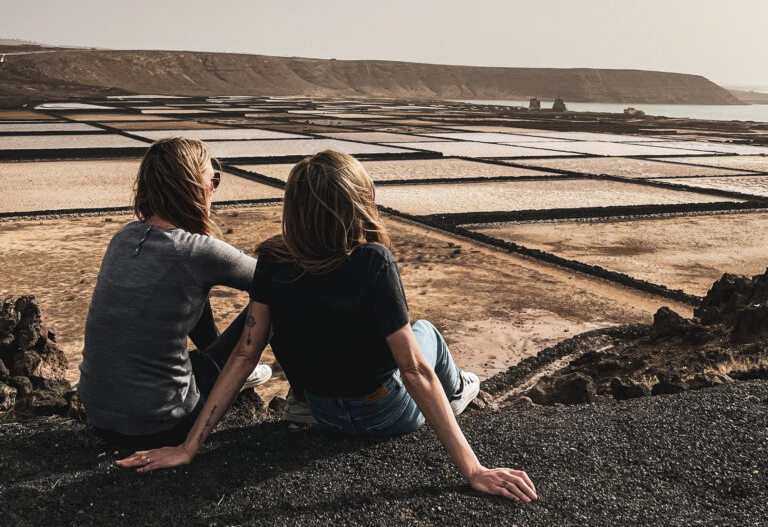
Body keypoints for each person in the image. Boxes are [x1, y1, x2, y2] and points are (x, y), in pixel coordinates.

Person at [117, 150, 537, 503]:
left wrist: (189, 447)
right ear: (356, 204)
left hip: (323, 412)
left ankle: (303, 401)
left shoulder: (273, 261)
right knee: (427, 333)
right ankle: (460, 390)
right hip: (386, 414)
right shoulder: (373, 260)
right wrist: (474, 469)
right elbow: (413, 370)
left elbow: (246, 354)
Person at [78, 136, 271, 449]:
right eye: (214, 180)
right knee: (278, 295)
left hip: (100, 418)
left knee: (189, 290)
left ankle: (216, 369)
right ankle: (300, 398)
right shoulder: (196, 251)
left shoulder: (124, 236)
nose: (215, 189)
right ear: (193, 186)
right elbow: (275, 279)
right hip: (162, 424)